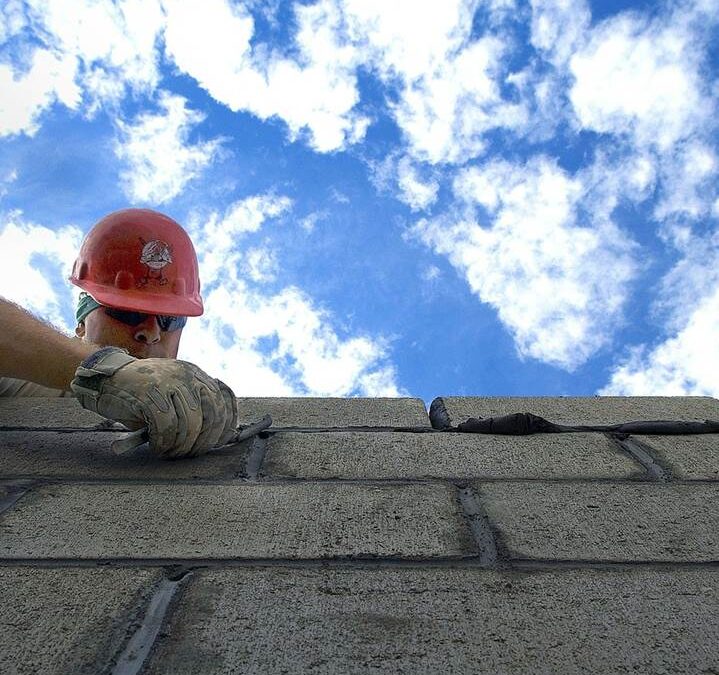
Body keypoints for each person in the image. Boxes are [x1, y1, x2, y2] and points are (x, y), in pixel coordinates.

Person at [0, 208, 237, 459]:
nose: (151, 332)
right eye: (127, 313)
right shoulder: (21, 383)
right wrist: (104, 369)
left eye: (170, 319)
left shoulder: (189, 418)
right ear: (82, 323)